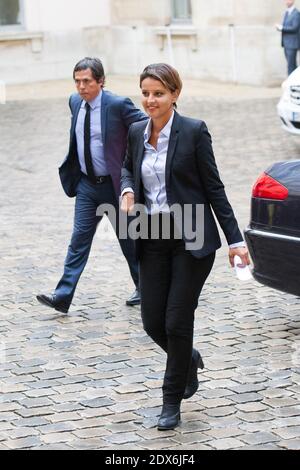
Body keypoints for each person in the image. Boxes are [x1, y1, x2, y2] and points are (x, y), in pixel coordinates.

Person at [121, 63, 250, 430]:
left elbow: (214, 188)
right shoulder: (135, 132)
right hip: (152, 237)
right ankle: (188, 358)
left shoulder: (193, 131)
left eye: (158, 93)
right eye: (145, 93)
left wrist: (235, 241)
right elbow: (127, 167)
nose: (150, 100)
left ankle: (170, 400)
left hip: (192, 240)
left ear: (175, 94)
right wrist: (128, 188)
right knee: (151, 322)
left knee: (177, 321)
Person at [37, 57, 147, 314]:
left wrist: (130, 165)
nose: (81, 87)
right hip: (87, 185)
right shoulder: (75, 102)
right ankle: (62, 296)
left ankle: (145, 288)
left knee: (129, 240)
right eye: (77, 81)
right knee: (79, 239)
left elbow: (144, 126)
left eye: (86, 81)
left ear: (100, 81)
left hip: (114, 186)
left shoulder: (117, 105)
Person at [276, 0, 300, 75]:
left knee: (291, 65)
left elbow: (295, 28)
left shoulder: (296, 13)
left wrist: (282, 28)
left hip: (292, 44)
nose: (286, 1)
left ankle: (291, 83)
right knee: (291, 65)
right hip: (286, 43)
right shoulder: (286, 13)